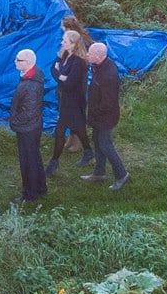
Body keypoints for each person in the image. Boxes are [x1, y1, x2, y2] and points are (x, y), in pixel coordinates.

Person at [81, 41, 129, 190]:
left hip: (106, 118)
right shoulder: (99, 67)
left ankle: (122, 175)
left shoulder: (108, 75)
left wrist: (93, 112)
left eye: (90, 53)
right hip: (98, 116)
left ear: (99, 56)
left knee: (105, 145)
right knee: (97, 143)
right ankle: (99, 172)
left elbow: (108, 103)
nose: (87, 55)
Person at [47, 26, 92, 177]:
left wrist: (60, 75)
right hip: (66, 97)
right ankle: (88, 151)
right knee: (79, 127)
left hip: (74, 100)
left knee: (60, 131)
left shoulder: (79, 62)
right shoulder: (64, 54)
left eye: (65, 41)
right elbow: (52, 69)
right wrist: (61, 75)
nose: (62, 42)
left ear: (73, 44)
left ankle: (54, 162)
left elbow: (69, 83)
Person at [9, 49, 46, 203]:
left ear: (29, 63)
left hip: (27, 128)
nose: (15, 62)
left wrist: (14, 122)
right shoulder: (32, 76)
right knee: (35, 157)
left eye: (19, 60)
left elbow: (29, 112)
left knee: (27, 161)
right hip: (33, 125)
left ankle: (29, 194)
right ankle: (40, 187)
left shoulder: (30, 85)